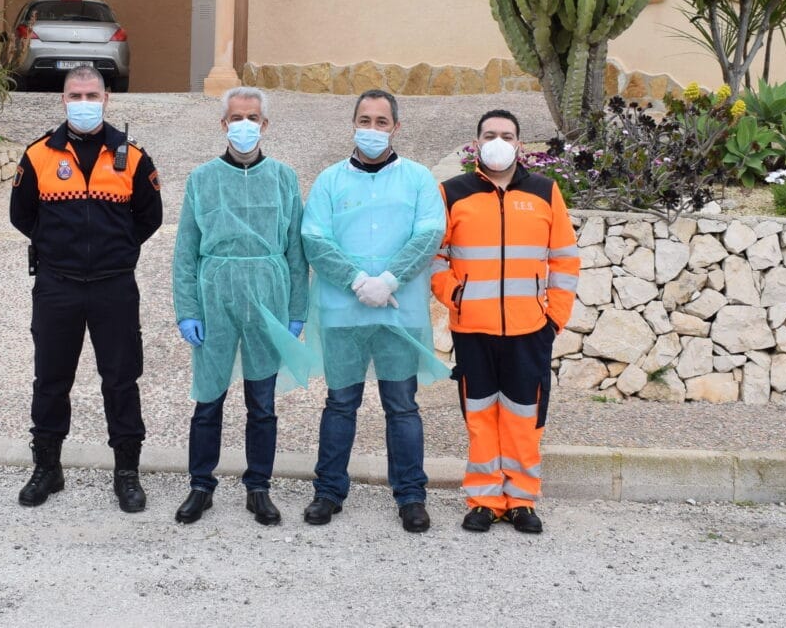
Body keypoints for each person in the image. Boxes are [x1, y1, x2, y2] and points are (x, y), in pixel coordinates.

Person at [9, 66, 163, 512]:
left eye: (91, 95)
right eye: (75, 95)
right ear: (63, 99)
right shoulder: (39, 154)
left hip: (114, 287)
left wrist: (117, 250)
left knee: (121, 380)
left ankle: (127, 473)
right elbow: (21, 215)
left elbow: (149, 216)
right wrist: (58, 249)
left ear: (106, 98)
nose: (83, 103)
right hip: (58, 286)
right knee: (51, 379)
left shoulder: (132, 156)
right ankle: (47, 468)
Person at [300, 89, 448, 534]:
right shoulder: (329, 181)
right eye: (364, 120)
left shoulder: (418, 179)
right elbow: (314, 238)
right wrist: (357, 281)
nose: (372, 129)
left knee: (401, 405)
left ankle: (411, 496)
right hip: (343, 312)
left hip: (399, 314)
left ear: (396, 127)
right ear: (353, 124)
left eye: (381, 122)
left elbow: (429, 234)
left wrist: (390, 280)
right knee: (340, 403)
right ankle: (328, 491)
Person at [171, 87, 316, 526]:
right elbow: (185, 251)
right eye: (236, 117)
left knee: (262, 403)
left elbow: (296, 252)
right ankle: (201, 485)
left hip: (269, 295)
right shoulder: (202, 179)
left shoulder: (284, 178)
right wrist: (188, 309)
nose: (244, 125)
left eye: (252, 117)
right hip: (215, 295)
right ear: (223, 124)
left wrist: (296, 310)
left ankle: (259, 487)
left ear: (265, 124)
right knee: (208, 399)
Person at [431, 109, 580, 534]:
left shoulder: (545, 191)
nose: (498, 141)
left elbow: (565, 259)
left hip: (530, 330)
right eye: (490, 134)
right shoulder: (452, 192)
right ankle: (484, 499)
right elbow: (435, 256)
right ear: (476, 142)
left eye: (507, 135)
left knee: (523, 417)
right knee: (479, 416)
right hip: (472, 329)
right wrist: (454, 295)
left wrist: (554, 319)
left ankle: (521, 500)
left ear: (520, 144)